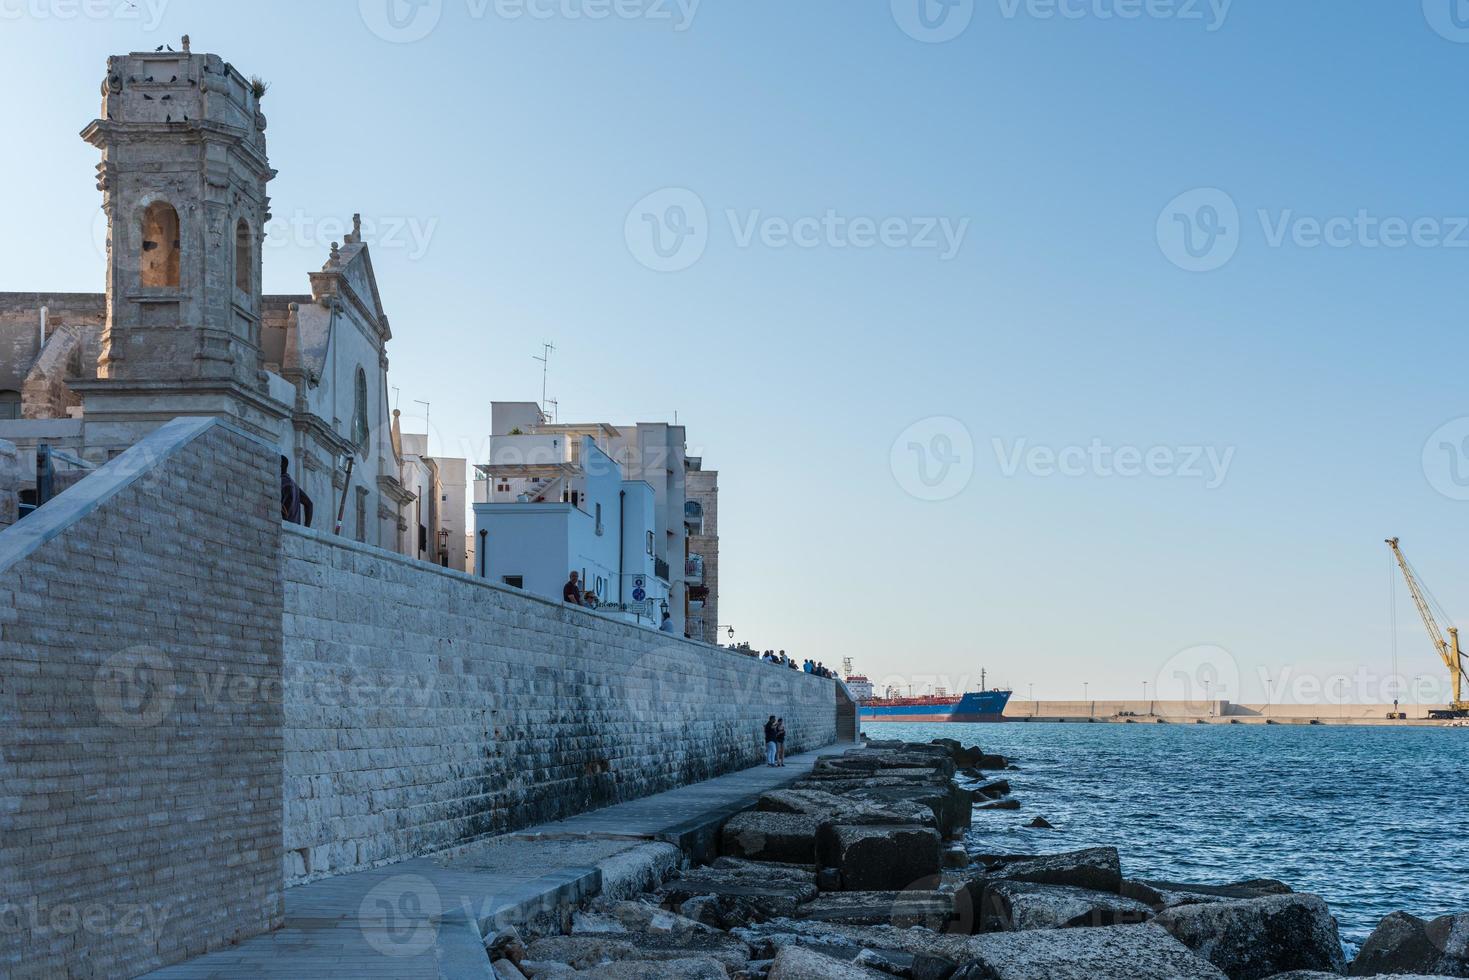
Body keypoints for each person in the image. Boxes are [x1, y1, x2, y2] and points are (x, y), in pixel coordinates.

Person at [280, 455, 313, 528]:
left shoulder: (283, 482)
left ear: (280, 466)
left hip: (284, 529)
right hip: (294, 530)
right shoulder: (294, 485)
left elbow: (283, 508)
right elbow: (309, 504)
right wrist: (306, 528)